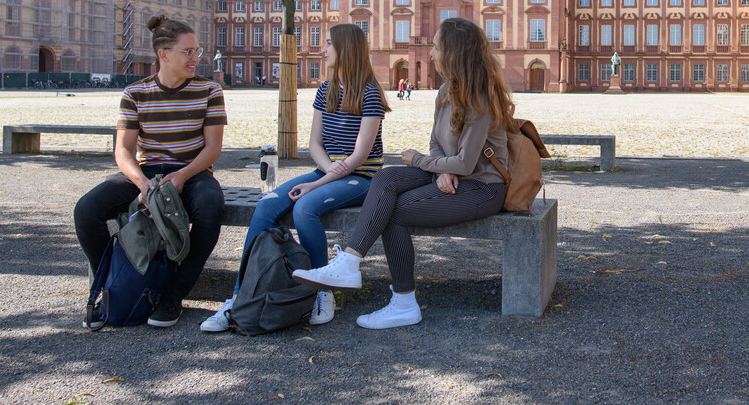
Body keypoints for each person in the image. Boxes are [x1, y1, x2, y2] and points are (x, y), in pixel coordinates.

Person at [293, 17, 514, 330]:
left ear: (455, 52)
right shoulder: (445, 91)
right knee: (386, 178)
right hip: (450, 175)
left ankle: (404, 303)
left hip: (481, 187)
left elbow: (465, 165)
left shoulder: (480, 98)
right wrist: (439, 168)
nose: (432, 53)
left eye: (436, 47)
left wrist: (422, 161)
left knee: (393, 212)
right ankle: (350, 263)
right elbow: (437, 143)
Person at [200, 23, 390, 332]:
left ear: (347, 49)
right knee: (267, 204)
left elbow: (360, 154)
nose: (322, 49)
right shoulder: (325, 90)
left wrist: (316, 183)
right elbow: (314, 143)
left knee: (305, 207)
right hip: (328, 171)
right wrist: (326, 169)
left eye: (328, 43)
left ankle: (322, 290)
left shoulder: (370, 93)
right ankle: (238, 297)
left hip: (362, 177)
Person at [74, 15, 226, 328]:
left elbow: (212, 149)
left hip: (192, 171)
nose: (196, 58)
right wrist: (141, 182)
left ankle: (173, 294)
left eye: (197, 51)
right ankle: (114, 285)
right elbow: (123, 151)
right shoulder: (135, 93)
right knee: (86, 210)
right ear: (163, 54)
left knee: (211, 207)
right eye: (188, 52)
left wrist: (182, 175)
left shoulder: (209, 90)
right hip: (147, 171)